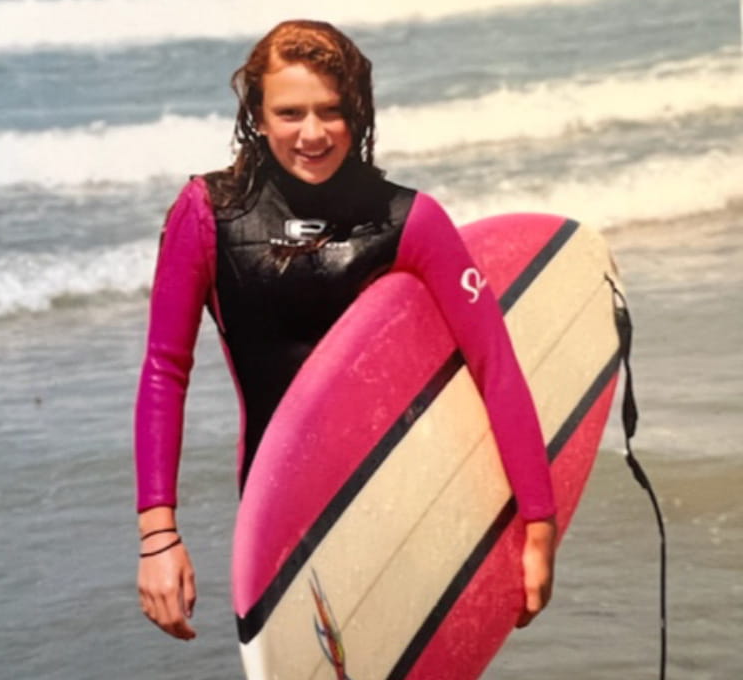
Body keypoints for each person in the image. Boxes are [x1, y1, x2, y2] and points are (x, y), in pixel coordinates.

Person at [135, 19, 557, 644]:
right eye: (290, 112)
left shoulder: (409, 219)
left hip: (403, 502)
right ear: (256, 112)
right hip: (278, 514)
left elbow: (494, 364)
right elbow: (165, 370)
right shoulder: (209, 214)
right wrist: (158, 536)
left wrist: (538, 528)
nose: (312, 133)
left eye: (331, 111)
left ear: (357, 112)